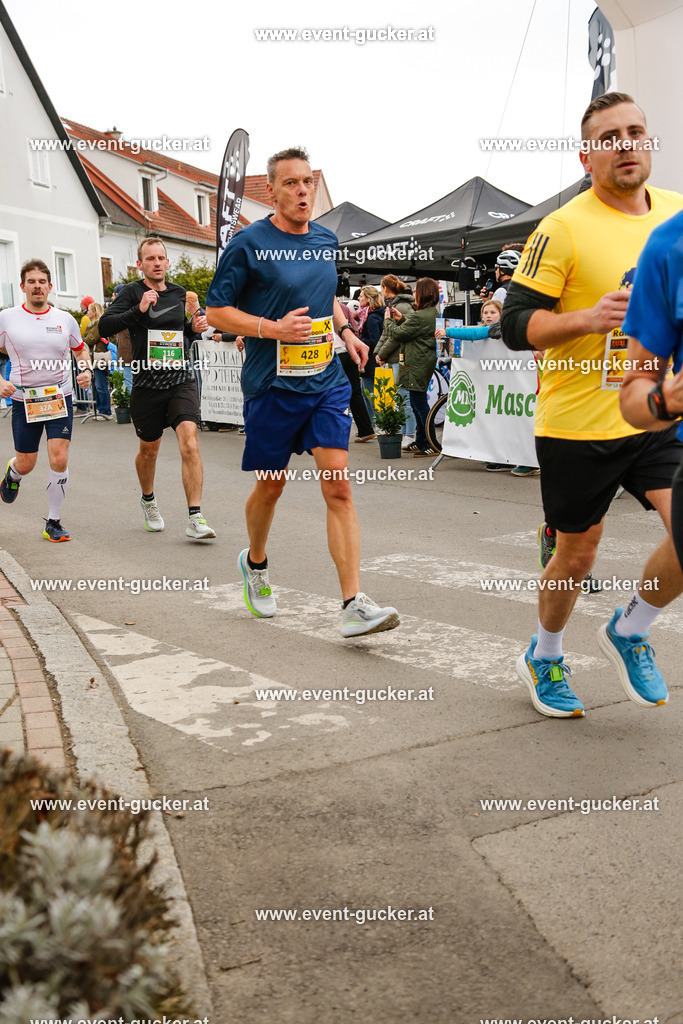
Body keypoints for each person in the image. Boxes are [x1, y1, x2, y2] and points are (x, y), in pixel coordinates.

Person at [501, 91, 683, 717]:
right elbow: (515, 323)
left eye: (636, 131)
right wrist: (587, 317)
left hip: (657, 412)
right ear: (587, 154)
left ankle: (630, 629)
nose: (626, 144)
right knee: (576, 554)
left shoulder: (677, 217)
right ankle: (544, 653)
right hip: (578, 424)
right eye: (610, 137)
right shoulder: (563, 227)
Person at [205, 145, 400, 637]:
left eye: (307, 182)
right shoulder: (248, 244)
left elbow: (326, 297)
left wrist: (349, 332)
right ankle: (255, 562)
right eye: (290, 183)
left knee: (338, 483)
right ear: (271, 190)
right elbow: (216, 313)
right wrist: (271, 329)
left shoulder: (325, 240)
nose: (301, 191)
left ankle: (353, 603)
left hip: (325, 381)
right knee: (272, 484)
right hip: (271, 384)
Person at [99, 237, 216, 541]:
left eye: (161, 258)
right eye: (150, 259)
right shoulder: (130, 292)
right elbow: (104, 327)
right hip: (146, 383)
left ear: (167, 262)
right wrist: (138, 309)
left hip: (179, 380)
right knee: (148, 450)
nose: (157, 263)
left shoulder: (178, 293)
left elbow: (179, 336)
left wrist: (192, 328)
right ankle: (148, 499)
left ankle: (195, 516)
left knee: (189, 442)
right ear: (141, 265)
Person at [0, 259, 93, 541]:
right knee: (28, 463)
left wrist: (86, 369)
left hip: (58, 397)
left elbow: (80, 351)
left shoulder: (65, 319)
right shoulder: (7, 317)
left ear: (50, 287)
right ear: (23, 287)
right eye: (32, 282)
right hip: (23, 400)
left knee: (59, 457)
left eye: (42, 282)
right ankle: (14, 473)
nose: (37, 286)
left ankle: (53, 521)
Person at [619, 209, 683, 571]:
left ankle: (627, 627)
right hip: (582, 422)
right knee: (578, 546)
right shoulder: (667, 245)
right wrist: (668, 397)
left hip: (656, 440)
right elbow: (637, 391)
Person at [381, 277, 440, 457]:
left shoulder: (421, 315)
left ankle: (431, 442)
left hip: (417, 362)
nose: (414, 294)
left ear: (423, 293)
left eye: (416, 291)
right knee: (416, 402)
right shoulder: (430, 313)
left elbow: (399, 335)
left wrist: (389, 321)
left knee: (419, 404)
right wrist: (402, 318)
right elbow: (414, 329)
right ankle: (422, 440)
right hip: (421, 360)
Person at [375, 275, 417, 449]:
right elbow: (387, 333)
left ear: (385, 288)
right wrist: (378, 352)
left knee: (404, 397)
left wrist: (381, 353)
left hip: (401, 357)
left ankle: (410, 434)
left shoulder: (400, 306)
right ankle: (403, 432)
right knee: (400, 398)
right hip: (395, 357)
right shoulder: (397, 305)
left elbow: (395, 335)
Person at [358, 285, 385, 439]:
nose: (358, 299)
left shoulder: (372, 318)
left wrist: (358, 339)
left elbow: (374, 341)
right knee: (366, 392)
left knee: (370, 395)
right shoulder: (374, 315)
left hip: (371, 361)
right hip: (372, 361)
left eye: (361, 296)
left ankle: (378, 425)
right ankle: (375, 424)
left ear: (368, 299)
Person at [83, 302, 113, 418]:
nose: (87, 312)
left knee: (101, 385)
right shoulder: (91, 324)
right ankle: (100, 410)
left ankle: (105, 411)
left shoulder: (98, 323)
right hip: (93, 358)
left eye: (89, 310)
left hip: (100, 357)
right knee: (96, 385)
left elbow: (90, 339)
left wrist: (84, 339)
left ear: (95, 311)